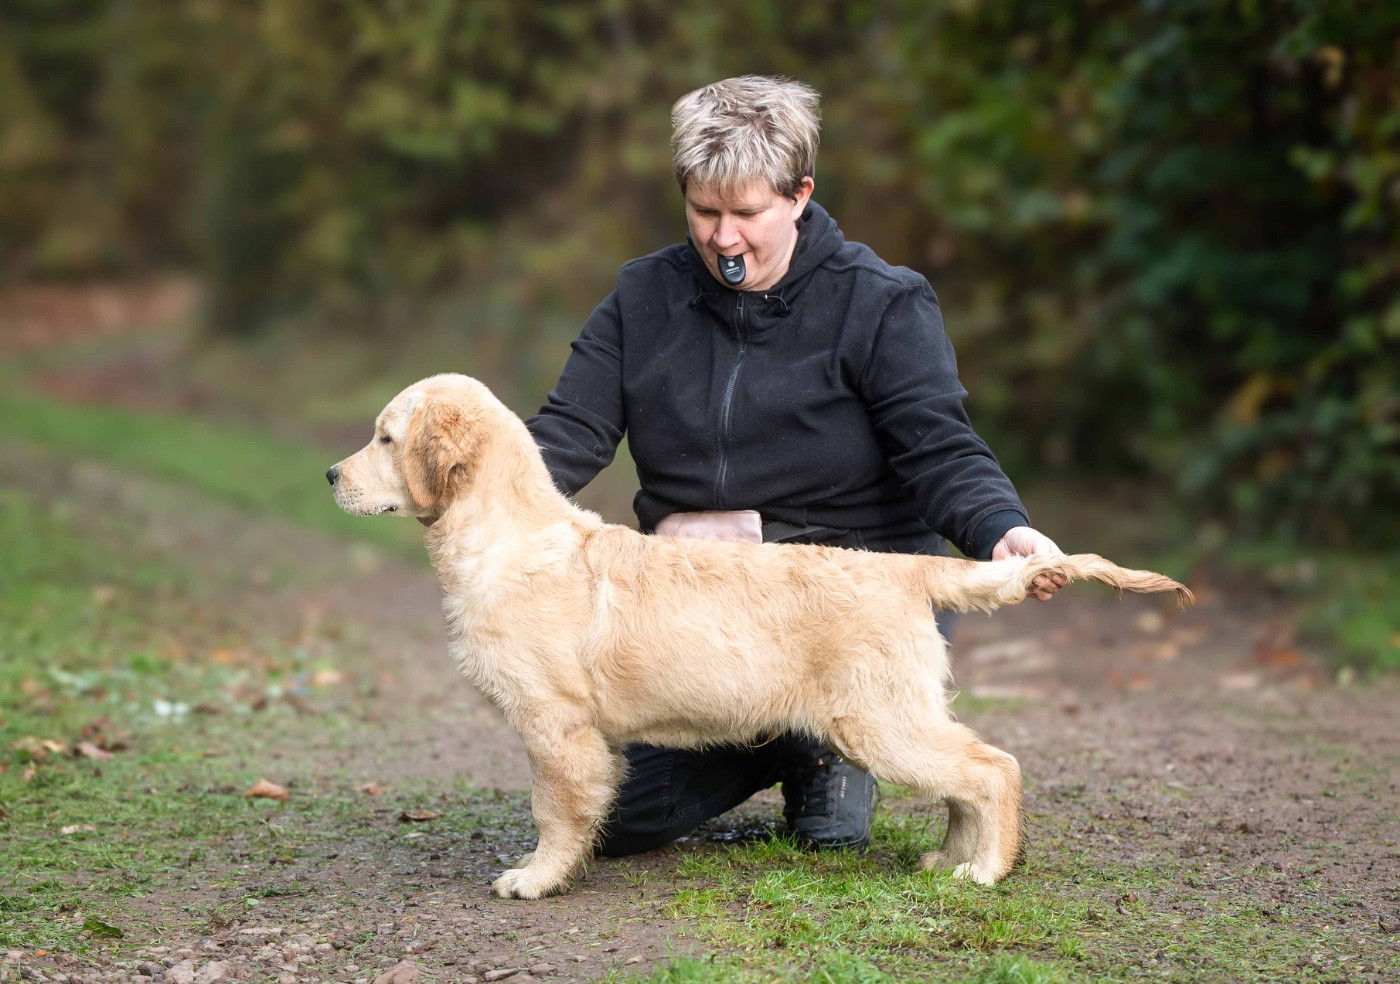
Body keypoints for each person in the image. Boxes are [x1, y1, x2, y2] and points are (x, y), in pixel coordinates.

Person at [525, 75, 1064, 855]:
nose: (722, 237)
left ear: (800, 193)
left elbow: (939, 447)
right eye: (704, 211)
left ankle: (829, 741)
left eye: (746, 213)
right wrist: (487, 493)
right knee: (616, 823)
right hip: (702, 619)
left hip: (846, 614)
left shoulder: (882, 302)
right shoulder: (643, 294)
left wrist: (1001, 528)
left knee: (832, 839)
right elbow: (568, 430)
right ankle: (777, 739)